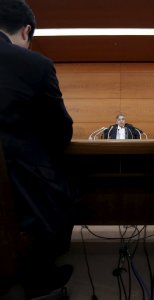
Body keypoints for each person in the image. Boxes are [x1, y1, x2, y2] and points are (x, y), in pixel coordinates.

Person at [0, 0, 74, 298]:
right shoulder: (33, 64)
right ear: (25, 31)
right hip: (16, 181)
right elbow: (61, 132)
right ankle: (38, 273)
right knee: (55, 179)